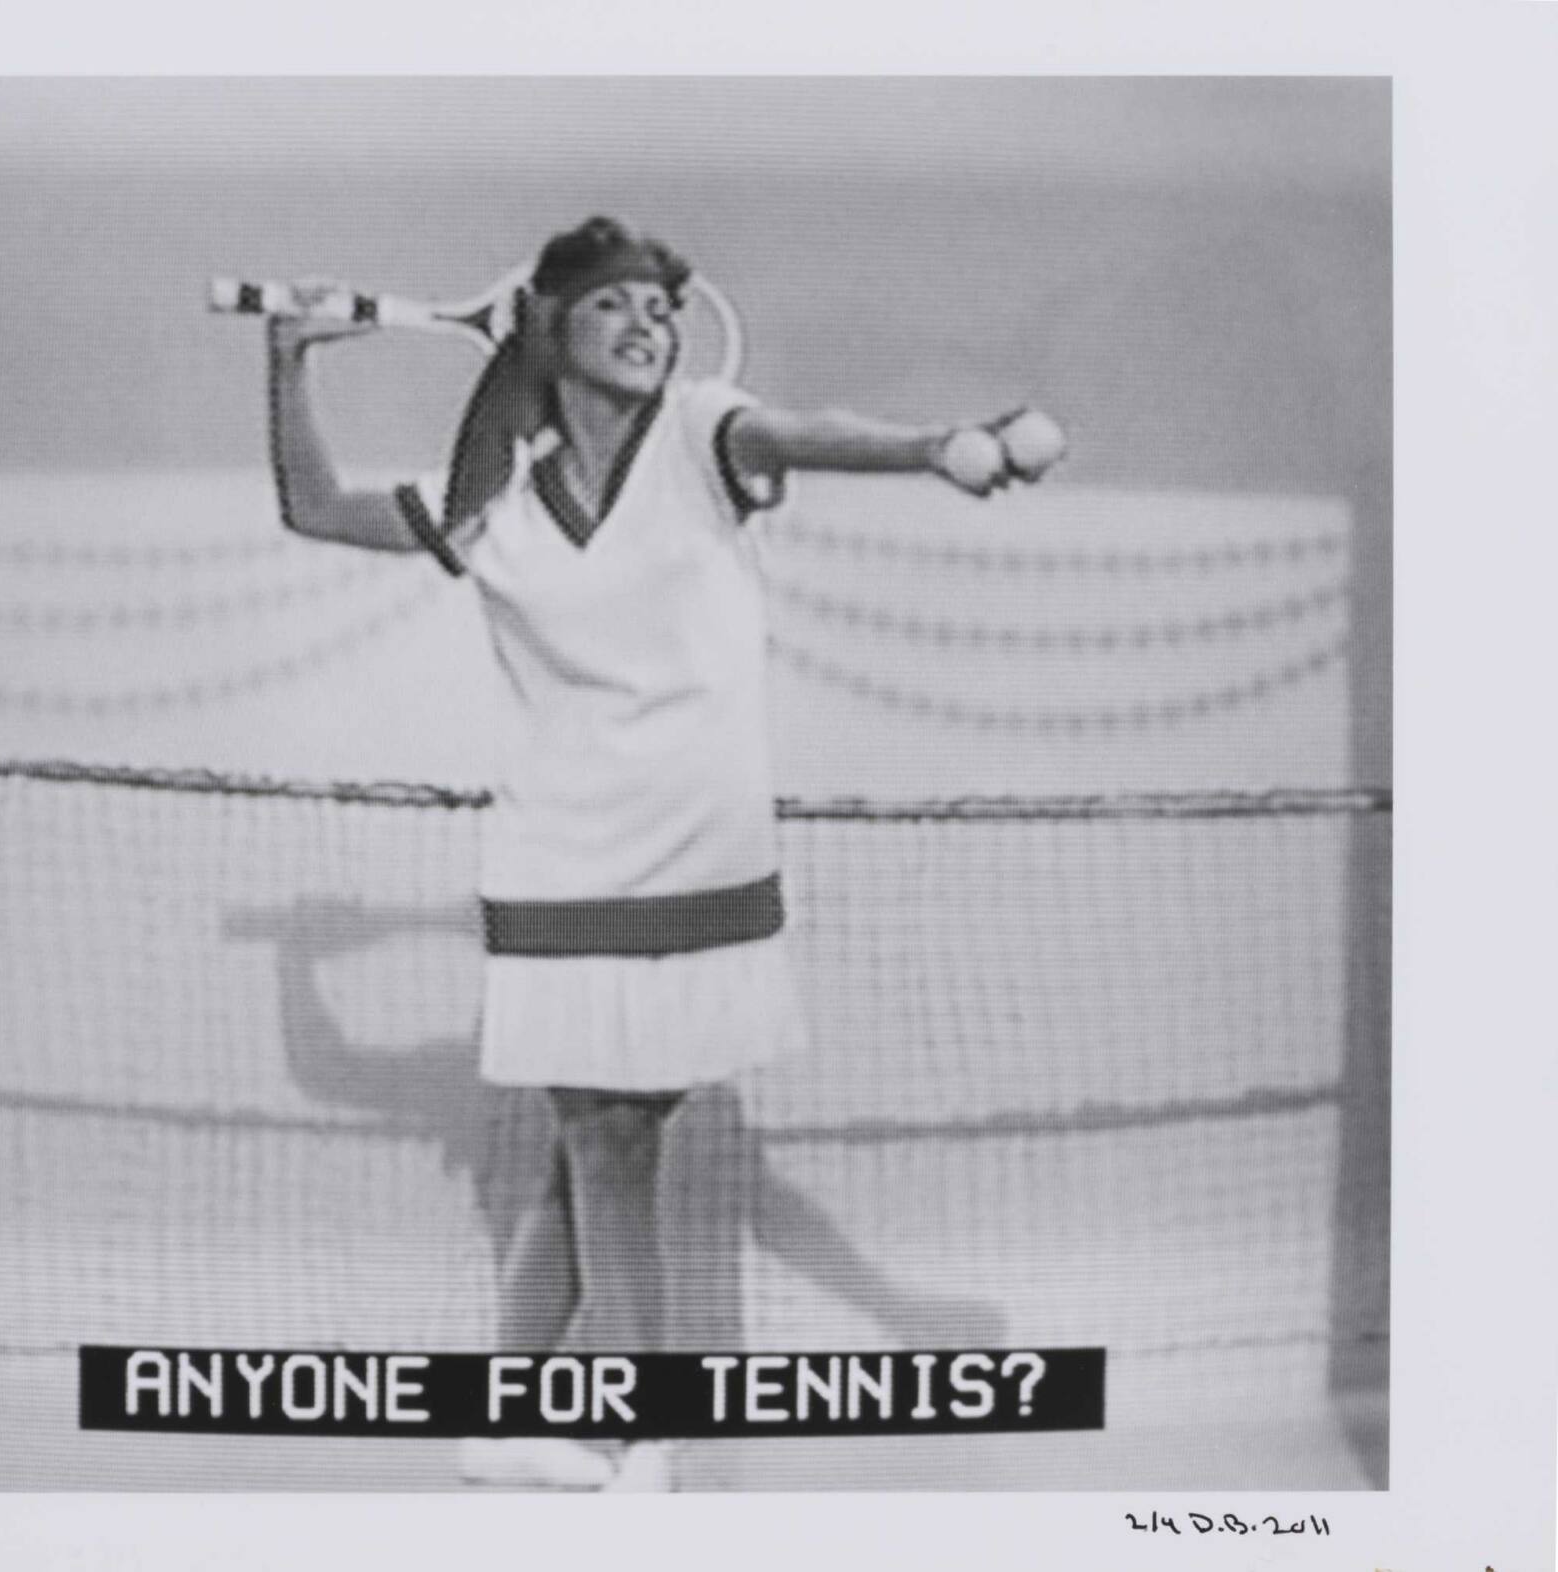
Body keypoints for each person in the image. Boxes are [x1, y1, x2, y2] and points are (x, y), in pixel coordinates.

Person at [263, 217, 1040, 1491]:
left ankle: (507, 1418)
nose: (647, 326)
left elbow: (809, 432)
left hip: (704, 862)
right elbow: (312, 506)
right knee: (608, 1151)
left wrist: (930, 449)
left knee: (603, 1151)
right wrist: (288, 360)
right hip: (563, 870)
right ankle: (646, 1434)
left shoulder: (705, 433)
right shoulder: (489, 508)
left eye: (661, 309)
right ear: (546, 329)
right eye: (614, 304)